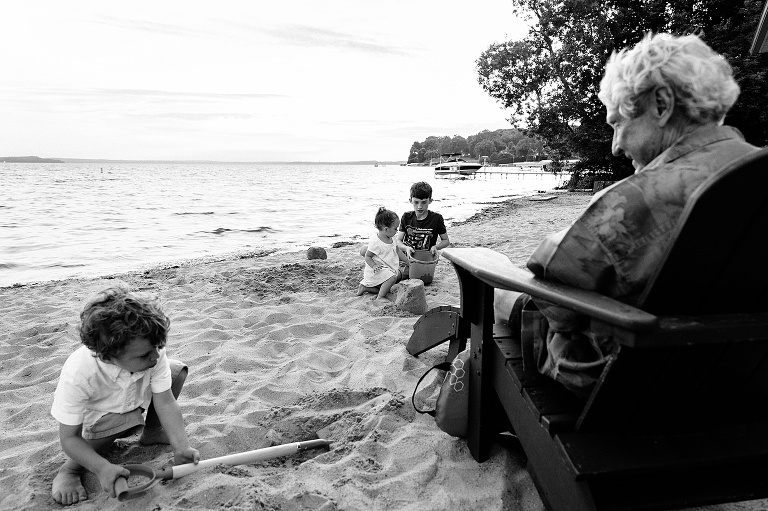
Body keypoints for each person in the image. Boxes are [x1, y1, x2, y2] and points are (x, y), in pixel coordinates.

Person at [495, 32, 761, 396]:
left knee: (500, 291)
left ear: (662, 103)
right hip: (744, 377)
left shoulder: (640, 199)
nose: (616, 146)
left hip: (638, 385)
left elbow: (555, 304)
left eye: (618, 123)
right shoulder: (753, 175)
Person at [51, 285, 199, 505]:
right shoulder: (79, 373)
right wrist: (102, 468)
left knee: (175, 372)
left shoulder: (150, 351)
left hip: (134, 399)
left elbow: (166, 402)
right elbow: (69, 438)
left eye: (158, 347)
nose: (156, 356)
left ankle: (152, 431)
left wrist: (181, 447)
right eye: (146, 354)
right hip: (100, 422)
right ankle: (69, 470)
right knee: (123, 418)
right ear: (108, 356)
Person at [357, 207, 406, 302]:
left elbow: (398, 251)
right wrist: (374, 265)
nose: (397, 230)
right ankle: (380, 297)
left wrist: (407, 260)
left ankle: (365, 288)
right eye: (395, 228)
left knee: (387, 288)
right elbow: (368, 256)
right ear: (386, 229)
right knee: (392, 277)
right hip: (376, 270)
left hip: (387, 267)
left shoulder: (392, 238)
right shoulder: (375, 242)